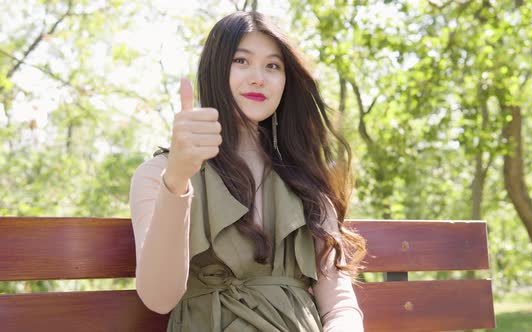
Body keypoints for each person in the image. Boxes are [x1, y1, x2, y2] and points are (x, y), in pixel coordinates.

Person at [129, 11, 366, 332]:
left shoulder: (306, 181)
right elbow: (159, 298)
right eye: (241, 61)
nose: (258, 77)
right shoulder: (157, 174)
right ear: (215, 70)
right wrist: (177, 181)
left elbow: (339, 304)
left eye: (273, 66)